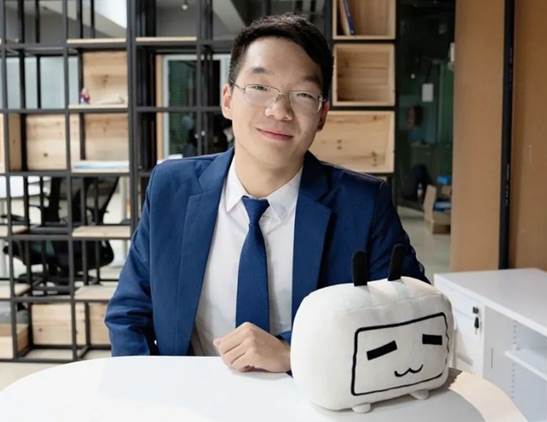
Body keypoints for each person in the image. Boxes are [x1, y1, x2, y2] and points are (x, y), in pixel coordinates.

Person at [105, 13, 427, 374]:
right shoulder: (171, 189)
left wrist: (296, 353)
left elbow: (415, 319)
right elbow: (128, 313)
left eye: (302, 95)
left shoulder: (364, 205)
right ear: (227, 100)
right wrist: (150, 390)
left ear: (322, 114)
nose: (279, 110)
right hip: (191, 394)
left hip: (310, 397)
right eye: (260, 88)